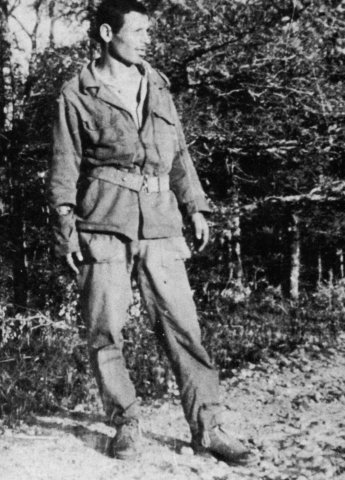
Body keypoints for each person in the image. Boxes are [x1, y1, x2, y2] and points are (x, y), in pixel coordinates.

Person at [49, 0, 255, 466]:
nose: (147, 40)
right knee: (105, 330)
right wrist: (66, 228)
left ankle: (208, 427)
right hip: (104, 223)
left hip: (161, 223)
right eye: (139, 31)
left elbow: (178, 152)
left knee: (184, 327)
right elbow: (64, 165)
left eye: (148, 32)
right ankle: (125, 422)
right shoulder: (76, 92)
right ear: (107, 33)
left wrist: (195, 205)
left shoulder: (156, 83)